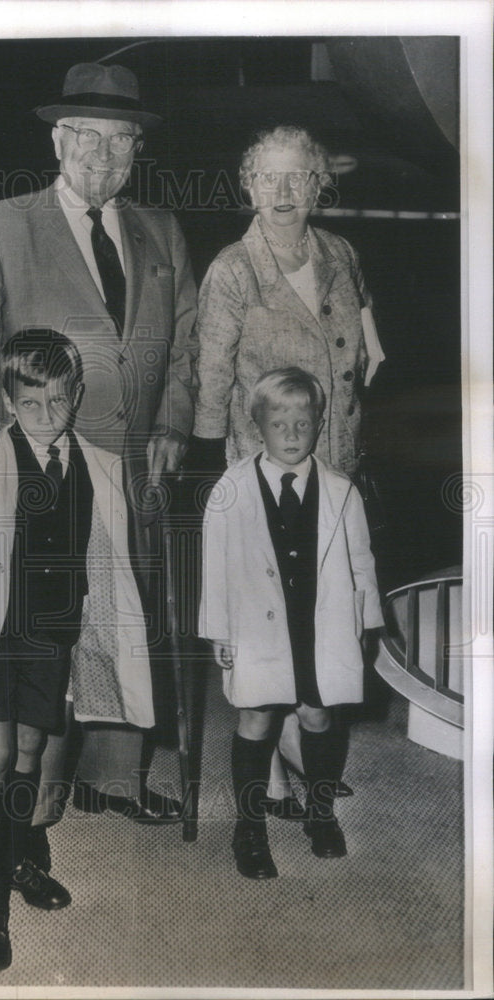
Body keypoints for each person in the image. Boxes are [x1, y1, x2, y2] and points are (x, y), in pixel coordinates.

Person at [0, 62, 198, 860]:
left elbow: (181, 350)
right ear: (57, 139)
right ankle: (28, 805)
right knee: (44, 627)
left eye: (121, 140)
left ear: (136, 149)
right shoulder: (3, 225)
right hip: (40, 463)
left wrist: (175, 422)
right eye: (86, 137)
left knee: (120, 624)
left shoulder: (161, 231)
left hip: (134, 464)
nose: (104, 156)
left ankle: (113, 778)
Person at [0, 329, 155, 970]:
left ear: (76, 394)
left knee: (29, 750)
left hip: (52, 635)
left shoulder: (100, 466)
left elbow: (107, 567)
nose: (45, 418)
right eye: (29, 404)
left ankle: (20, 857)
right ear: (7, 400)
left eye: (57, 402)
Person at [190, 124, 385, 816]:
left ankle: (306, 743)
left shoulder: (340, 252)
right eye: (265, 178)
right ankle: (269, 766)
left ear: (318, 186)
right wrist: (212, 475)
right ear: (246, 186)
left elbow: (364, 345)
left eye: (296, 177)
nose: (280, 192)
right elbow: (210, 377)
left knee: (323, 619)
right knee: (268, 627)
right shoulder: (232, 269)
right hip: (261, 476)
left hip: (334, 469)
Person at [199, 367, 383, 879]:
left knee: (317, 716)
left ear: (319, 424)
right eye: (280, 424)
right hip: (255, 626)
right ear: (258, 424)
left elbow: (361, 562)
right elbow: (214, 566)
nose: (293, 434)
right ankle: (249, 828)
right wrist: (218, 629)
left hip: (321, 623)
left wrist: (364, 624)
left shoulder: (342, 490)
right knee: (256, 717)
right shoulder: (230, 490)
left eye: (304, 423)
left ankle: (320, 813)